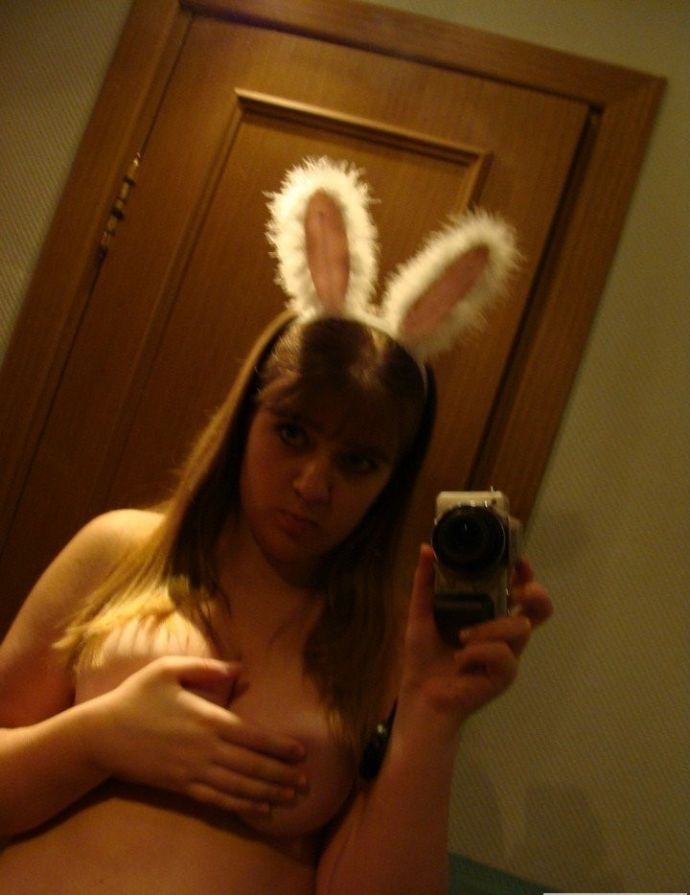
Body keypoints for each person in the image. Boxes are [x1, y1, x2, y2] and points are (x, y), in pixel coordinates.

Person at [0, 158, 552, 894]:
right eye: (292, 433)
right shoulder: (119, 550)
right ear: (245, 423)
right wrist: (99, 738)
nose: (313, 485)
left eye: (358, 461)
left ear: (389, 483)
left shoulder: (395, 642)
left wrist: (432, 716)